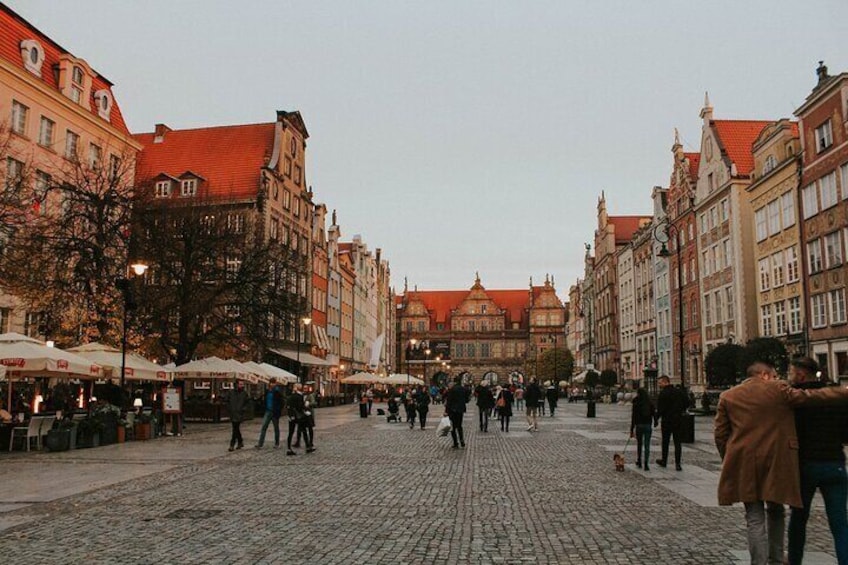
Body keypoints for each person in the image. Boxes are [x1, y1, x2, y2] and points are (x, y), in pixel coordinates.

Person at [715, 361, 848, 565]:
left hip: (747, 462)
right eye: (775, 375)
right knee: (777, 511)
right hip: (778, 461)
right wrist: (842, 392)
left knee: (755, 517)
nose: (778, 378)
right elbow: (812, 397)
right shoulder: (778, 391)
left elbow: (720, 433)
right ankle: (776, 559)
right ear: (764, 375)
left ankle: (760, 562)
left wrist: (729, 457)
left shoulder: (728, 396)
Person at [787, 357, 848, 565]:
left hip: (805, 465)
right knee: (840, 523)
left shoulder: (794, 401)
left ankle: (795, 560)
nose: (790, 377)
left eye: (791, 373)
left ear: (801, 375)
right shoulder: (836, 397)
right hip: (834, 463)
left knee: (798, 519)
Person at [654, 375, 687, 471]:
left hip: (666, 421)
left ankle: (664, 460)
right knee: (677, 442)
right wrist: (681, 410)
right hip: (678, 420)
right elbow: (687, 402)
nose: (659, 385)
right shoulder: (678, 392)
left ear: (665, 382)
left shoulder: (663, 393)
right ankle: (678, 464)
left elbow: (660, 409)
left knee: (665, 441)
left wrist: (656, 419)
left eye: (660, 383)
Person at [630, 388, 655, 470]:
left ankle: (639, 461)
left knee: (639, 444)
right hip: (647, 425)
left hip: (639, 425)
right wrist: (655, 422)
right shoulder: (649, 402)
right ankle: (646, 464)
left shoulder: (636, 402)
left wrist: (631, 429)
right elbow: (654, 413)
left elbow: (633, 417)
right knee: (647, 445)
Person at [255, 378, 283, 449]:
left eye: (273, 383)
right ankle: (260, 444)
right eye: (271, 383)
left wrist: (278, 410)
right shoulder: (267, 391)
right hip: (268, 411)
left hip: (274, 412)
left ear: (275, 383)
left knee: (276, 428)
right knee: (264, 427)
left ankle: (277, 443)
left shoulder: (277, 392)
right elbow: (265, 400)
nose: (272, 384)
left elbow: (281, 402)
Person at [286, 383, 310, 455]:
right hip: (299, 416)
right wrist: (305, 407)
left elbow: (288, 406)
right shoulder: (299, 396)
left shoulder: (290, 396)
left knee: (291, 432)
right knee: (304, 431)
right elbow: (300, 407)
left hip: (292, 416)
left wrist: (290, 415)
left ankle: (289, 448)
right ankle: (308, 447)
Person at [444, 379, 467, 448]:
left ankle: (455, 443)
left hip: (453, 411)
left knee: (453, 427)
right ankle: (462, 441)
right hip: (460, 410)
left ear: (451, 385)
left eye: (448, 386)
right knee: (459, 426)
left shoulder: (452, 390)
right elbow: (466, 398)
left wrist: (446, 411)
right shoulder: (462, 389)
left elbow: (449, 401)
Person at [227, 380, 248, 451]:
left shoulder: (244, 393)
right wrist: (229, 408)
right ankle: (240, 441)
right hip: (233, 413)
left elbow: (247, 402)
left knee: (235, 429)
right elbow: (227, 400)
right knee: (236, 428)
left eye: (242, 384)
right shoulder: (231, 392)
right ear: (237, 385)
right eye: (240, 384)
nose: (242, 385)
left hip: (239, 413)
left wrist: (243, 409)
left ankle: (232, 444)